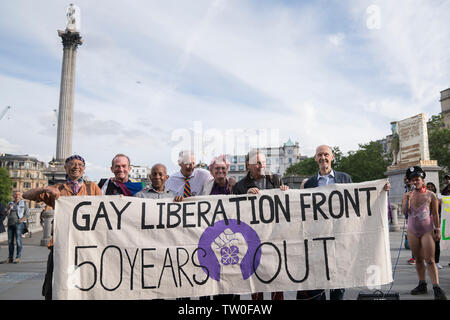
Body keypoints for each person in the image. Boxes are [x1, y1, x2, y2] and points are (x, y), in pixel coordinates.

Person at [296, 145, 390, 300]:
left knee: (338, 286)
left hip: (340, 239)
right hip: (317, 239)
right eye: (319, 155)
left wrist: (379, 190)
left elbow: (358, 200)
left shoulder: (345, 178)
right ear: (315, 158)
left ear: (332, 157)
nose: (323, 158)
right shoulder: (309, 183)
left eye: (326, 154)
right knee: (316, 284)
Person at [22, 155, 102, 300]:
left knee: (84, 280)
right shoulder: (57, 188)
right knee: (54, 281)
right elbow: (26, 194)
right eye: (72, 164)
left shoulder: (93, 188)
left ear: (84, 169)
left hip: (85, 243)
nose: (76, 167)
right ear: (65, 168)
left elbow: (104, 209)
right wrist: (45, 189)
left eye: (80, 164)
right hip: (61, 243)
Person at [233, 149, 289, 300]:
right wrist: (245, 197)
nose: (261, 165)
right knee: (257, 281)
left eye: (263, 162)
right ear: (248, 165)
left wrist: (285, 192)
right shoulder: (239, 187)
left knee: (276, 279)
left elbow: (285, 206)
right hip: (252, 238)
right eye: (257, 163)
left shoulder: (275, 180)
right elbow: (235, 214)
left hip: (274, 236)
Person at [402, 166, 446, 300]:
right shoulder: (407, 195)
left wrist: (437, 230)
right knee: (418, 259)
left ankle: (436, 286)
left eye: (417, 179)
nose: (415, 182)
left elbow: (435, 214)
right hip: (412, 231)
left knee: (430, 260)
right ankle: (422, 283)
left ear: (422, 179)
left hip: (427, 230)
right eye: (412, 180)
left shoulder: (431, 195)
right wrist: (407, 200)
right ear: (409, 182)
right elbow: (405, 212)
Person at [0, 191, 30, 264]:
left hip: (18, 224)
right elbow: (5, 213)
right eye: (15, 194)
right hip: (10, 224)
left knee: (18, 241)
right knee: (10, 242)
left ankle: (18, 257)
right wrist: (8, 209)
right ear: (13, 195)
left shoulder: (24, 203)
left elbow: (27, 214)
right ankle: (10, 258)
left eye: (18, 194)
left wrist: (20, 221)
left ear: (21, 196)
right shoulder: (10, 203)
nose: (17, 196)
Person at [426, 182, 443, 270]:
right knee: (427, 244)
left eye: (432, 187)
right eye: (428, 187)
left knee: (436, 243)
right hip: (426, 223)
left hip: (435, 222)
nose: (430, 188)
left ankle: (436, 262)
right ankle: (428, 261)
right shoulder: (423, 197)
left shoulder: (438, 198)